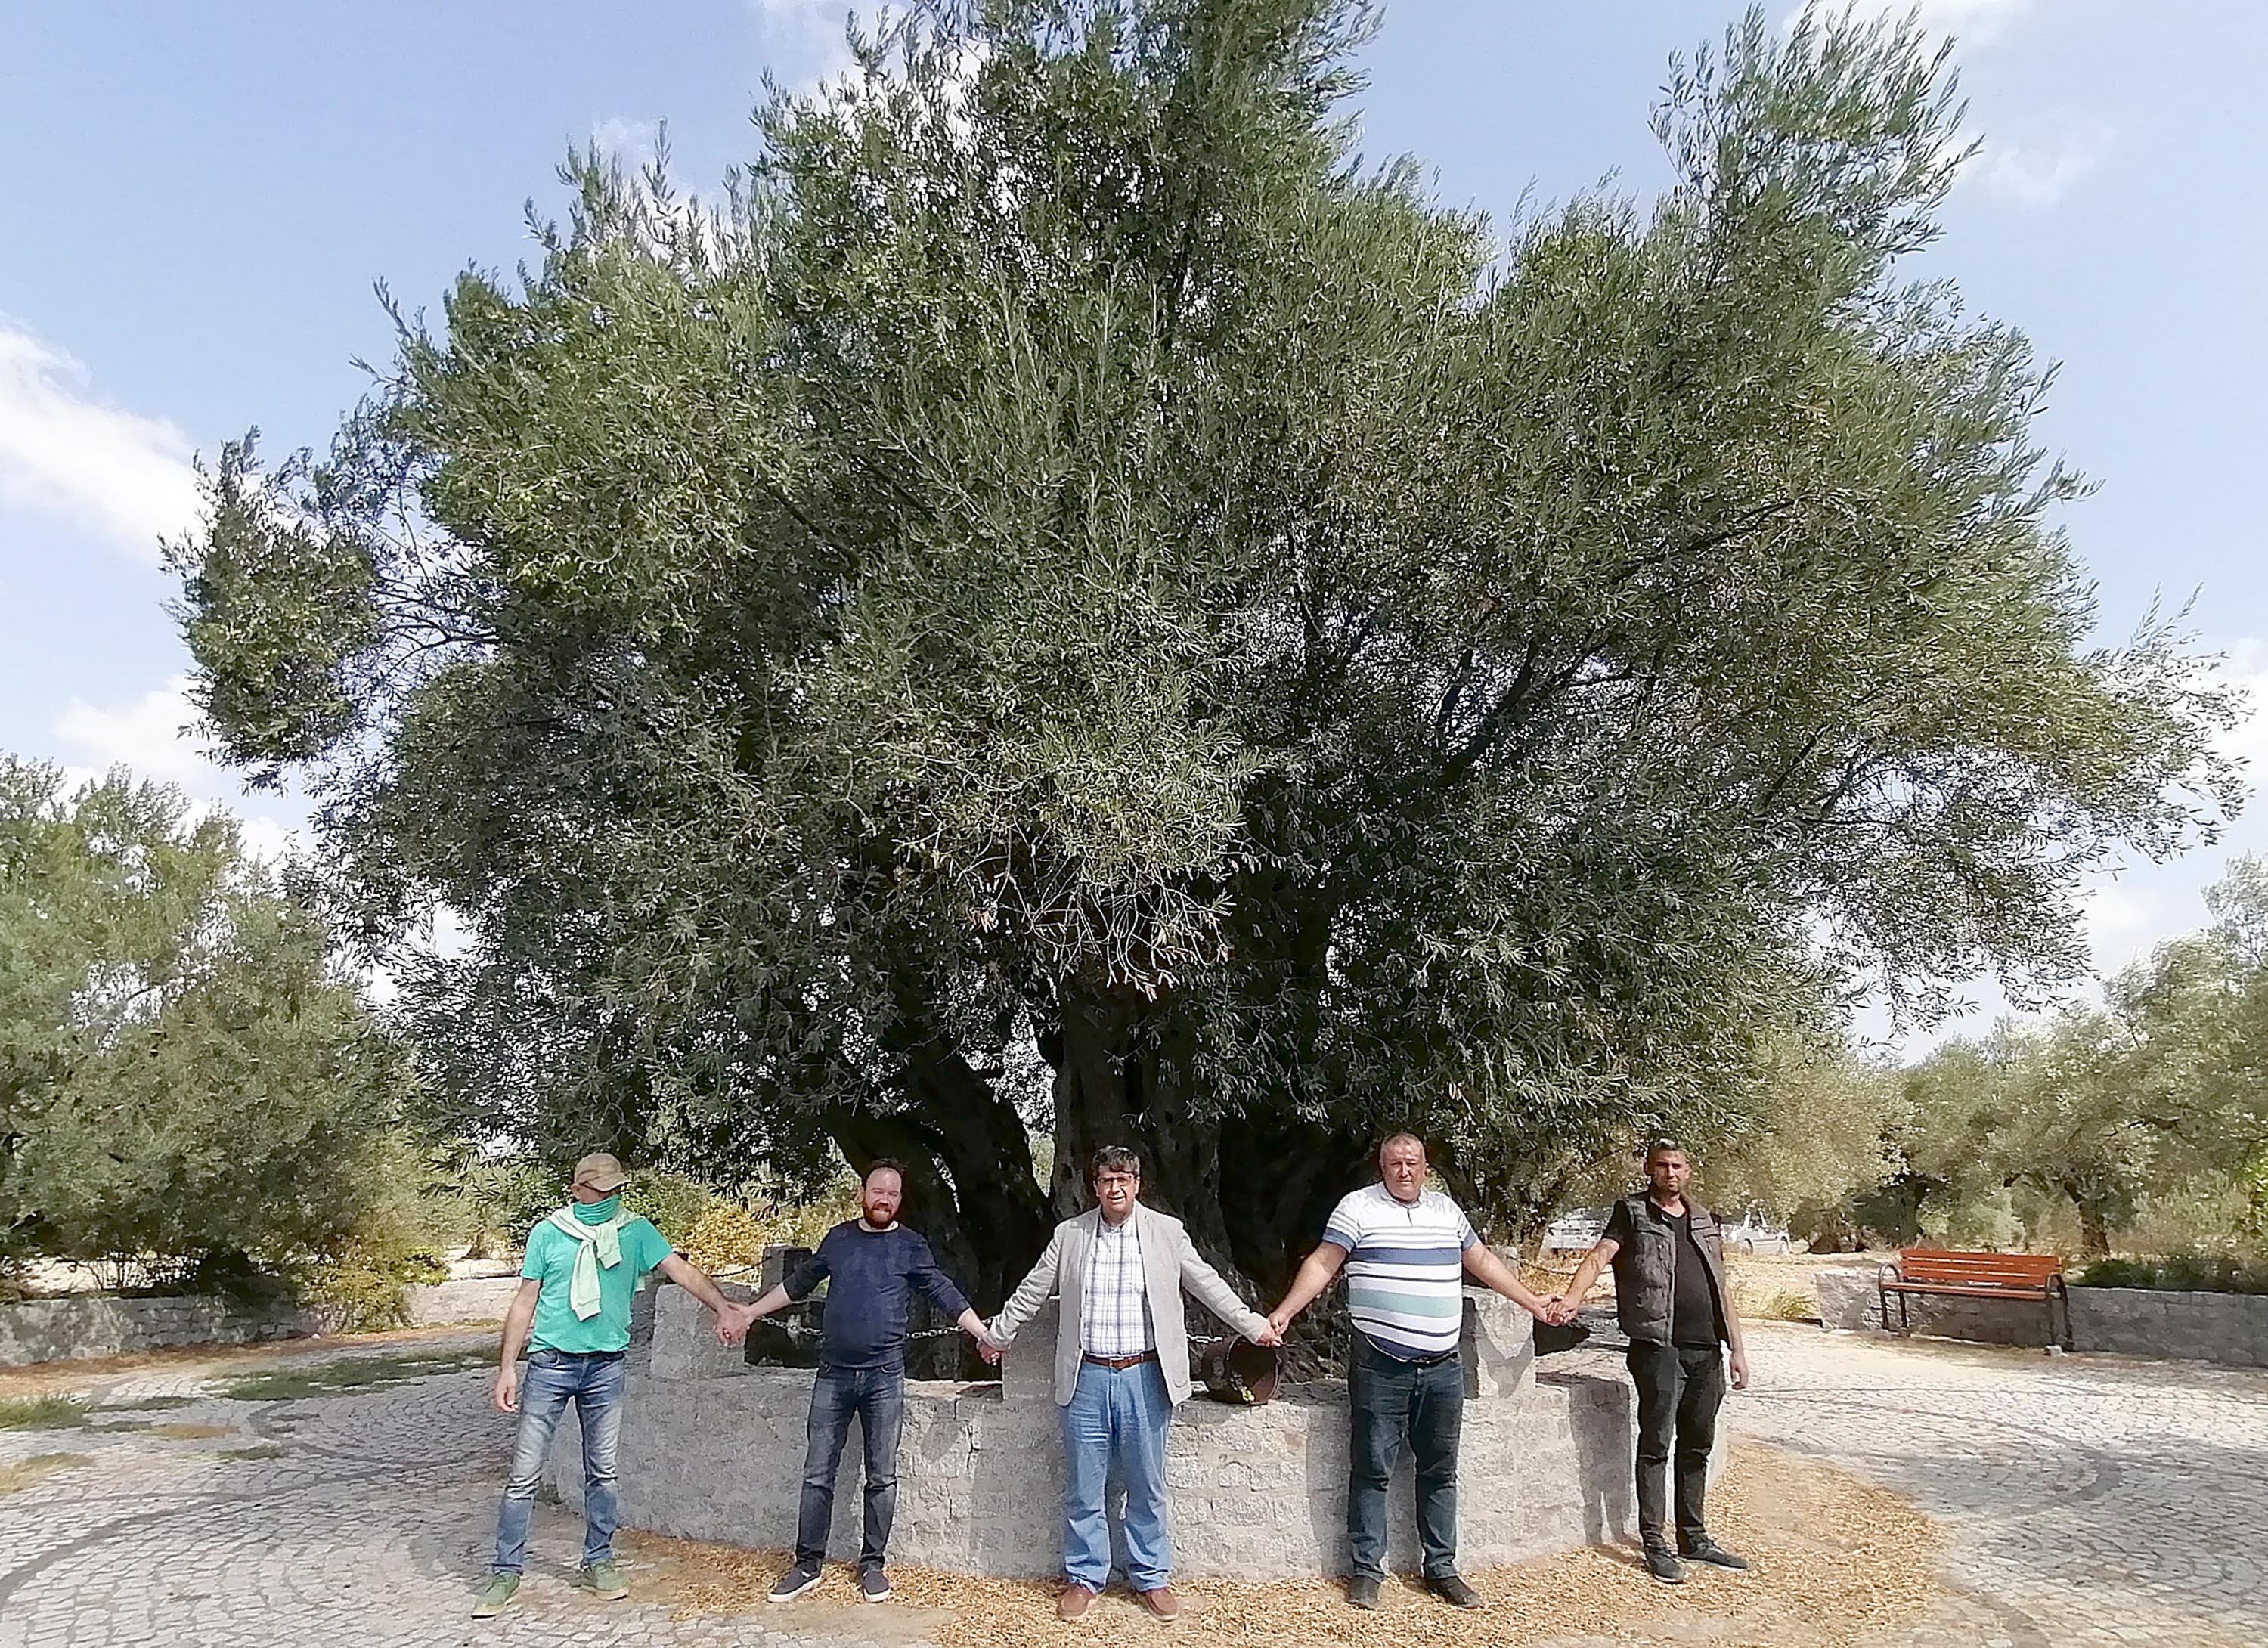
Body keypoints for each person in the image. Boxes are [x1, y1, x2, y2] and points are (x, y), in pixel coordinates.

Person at [985, 1145, 1282, 1623]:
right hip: (1086, 1377)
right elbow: (1034, 1289)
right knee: (1084, 1486)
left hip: (1145, 1376)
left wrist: (1253, 1327)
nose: (1115, 1188)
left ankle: (1152, 1576)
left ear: (1137, 1183)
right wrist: (998, 1334)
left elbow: (1206, 1283)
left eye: (1123, 1179)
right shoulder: (1071, 1234)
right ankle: (1085, 1577)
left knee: (1147, 1484)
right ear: (1095, 1186)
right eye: (1106, 1180)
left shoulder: (1167, 1233)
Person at [1266, 1132, 1558, 1612]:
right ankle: (1366, 1571)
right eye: (1396, 1162)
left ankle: (1442, 1568)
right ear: (1381, 1166)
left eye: (1413, 1162)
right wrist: (1286, 1311)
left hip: (1443, 1367)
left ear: (1425, 1166)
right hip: (1381, 1364)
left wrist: (1531, 1302)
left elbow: (1480, 1260)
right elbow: (1323, 1262)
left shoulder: (1445, 1212)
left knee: (1441, 1471)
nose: (1405, 1170)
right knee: (1372, 1470)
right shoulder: (1357, 1208)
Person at [475, 1152, 756, 1620]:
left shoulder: (636, 1231)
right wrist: (507, 1367)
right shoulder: (549, 1233)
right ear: (577, 1189)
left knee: (602, 1472)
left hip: (606, 1366)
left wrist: (723, 1307)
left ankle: (598, 1560)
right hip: (551, 1364)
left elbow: (681, 1271)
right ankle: (506, 1570)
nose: (608, 1199)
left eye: (614, 1190)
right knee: (524, 1475)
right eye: (599, 1191)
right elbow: (525, 1301)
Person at [733, 1160, 999, 1605]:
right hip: (833, 1374)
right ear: (863, 1192)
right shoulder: (838, 1238)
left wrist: (983, 1332)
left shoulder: (911, 1246)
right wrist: (749, 1311)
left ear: (900, 1200)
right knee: (818, 1473)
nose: (885, 1200)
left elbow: (944, 1292)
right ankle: (807, 1565)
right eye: (878, 1191)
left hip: (884, 1377)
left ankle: (872, 1564)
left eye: (893, 1194)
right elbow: (799, 1284)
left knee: (882, 1477)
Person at [1551, 1137, 1752, 1584]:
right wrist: (1571, 1299)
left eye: (1678, 1166)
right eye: (1662, 1166)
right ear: (1649, 1169)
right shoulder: (1633, 1213)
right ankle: (1655, 1543)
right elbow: (1599, 1257)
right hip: (1658, 1349)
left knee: (1698, 1444)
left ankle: (1694, 1538)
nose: (1670, 1173)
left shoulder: (1703, 1219)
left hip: (1707, 1351)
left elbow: (1723, 1289)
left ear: (1689, 1171)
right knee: (1657, 1444)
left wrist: (1737, 1349)